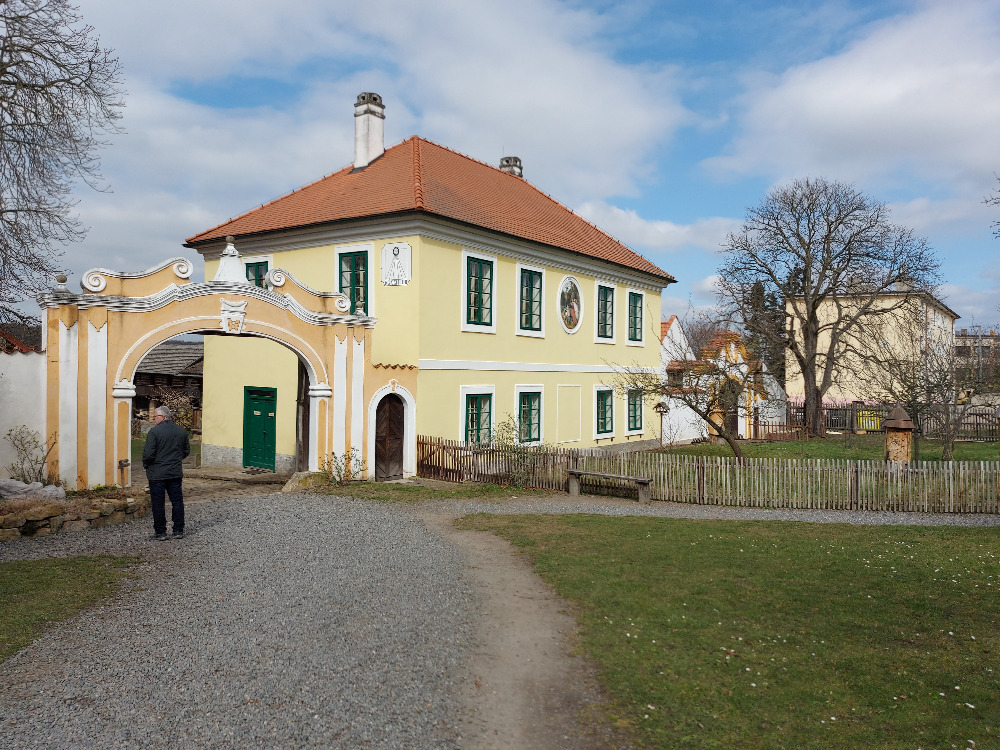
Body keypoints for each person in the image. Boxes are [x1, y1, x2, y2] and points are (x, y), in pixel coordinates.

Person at [143, 405, 190, 541]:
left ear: (162, 417)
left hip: (157, 473)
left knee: (158, 503)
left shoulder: (154, 432)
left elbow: (148, 454)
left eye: (155, 417)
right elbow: (186, 450)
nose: (153, 419)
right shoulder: (181, 431)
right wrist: (176, 460)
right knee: (177, 502)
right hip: (175, 471)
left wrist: (147, 465)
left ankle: (161, 532)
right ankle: (178, 530)